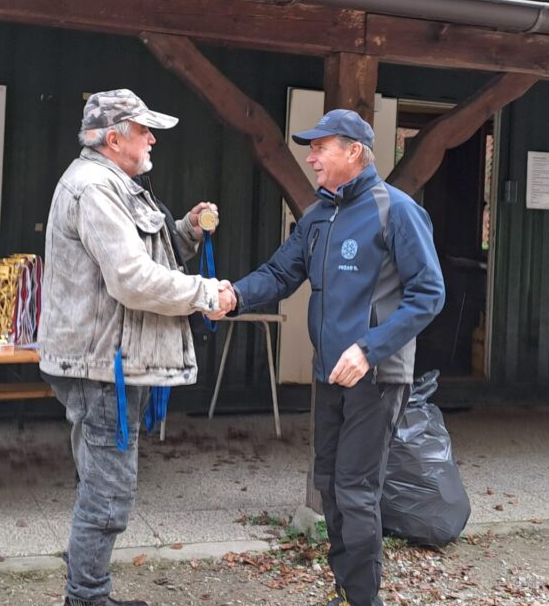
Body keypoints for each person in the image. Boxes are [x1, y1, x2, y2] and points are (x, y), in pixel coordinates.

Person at [228, 109, 445, 606]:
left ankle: (364, 600)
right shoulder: (318, 217)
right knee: (329, 485)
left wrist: (369, 349)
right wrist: (232, 296)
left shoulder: (396, 210)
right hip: (330, 375)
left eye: (320, 148)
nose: (311, 158)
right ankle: (347, 592)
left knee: (355, 489)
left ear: (354, 151)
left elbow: (429, 293)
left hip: (377, 375)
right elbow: (279, 274)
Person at [38, 89, 235, 606]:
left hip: (106, 362)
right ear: (113, 138)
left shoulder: (112, 183)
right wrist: (206, 293)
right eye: (144, 130)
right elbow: (130, 279)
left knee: (100, 485)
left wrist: (186, 231)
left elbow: (145, 253)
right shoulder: (95, 188)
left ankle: (88, 592)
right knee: (108, 493)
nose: (152, 139)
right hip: (102, 367)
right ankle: (86, 598)